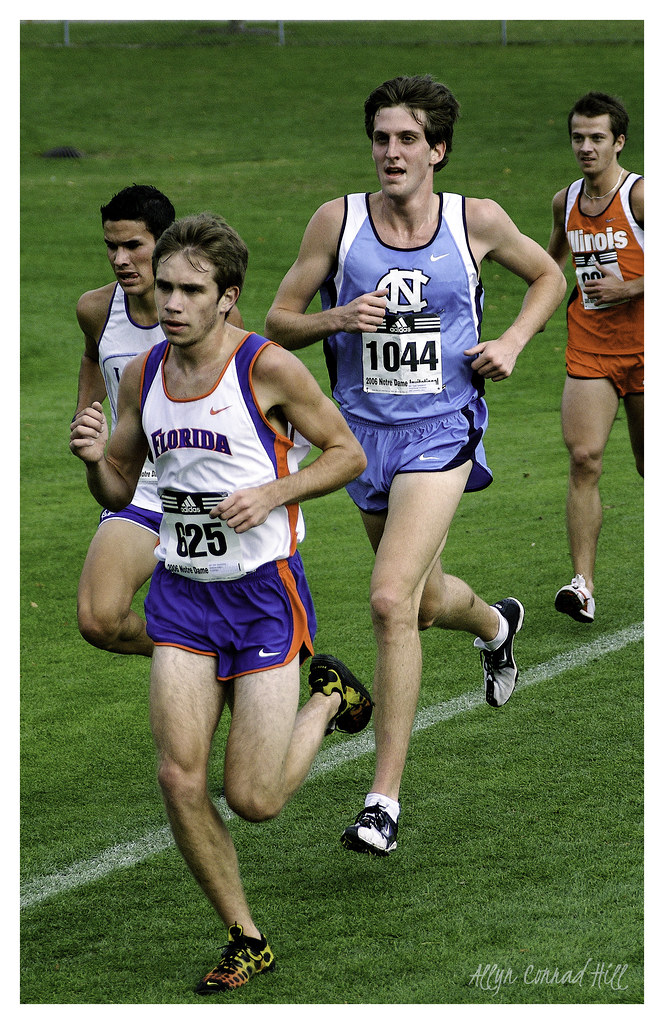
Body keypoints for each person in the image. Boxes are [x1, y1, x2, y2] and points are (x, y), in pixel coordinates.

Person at [265, 74, 566, 856]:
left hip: (442, 429)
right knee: (426, 602)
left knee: (391, 599)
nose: (390, 152)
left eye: (407, 139)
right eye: (381, 138)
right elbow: (277, 320)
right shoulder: (337, 221)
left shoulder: (477, 220)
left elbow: (549, 276)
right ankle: (497, 624)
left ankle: (382, 800)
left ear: (438, 150)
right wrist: (338, 315)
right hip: (361, 438)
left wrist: (509, 344)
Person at [70, 212, 371, 994]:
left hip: (264, 597)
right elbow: (120, 480)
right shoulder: (143, 375)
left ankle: (329, 700)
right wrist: (92, 459)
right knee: (178, 777)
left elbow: (346, 453)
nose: (169, 302)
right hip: (181, 597)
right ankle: (246, 936)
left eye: (189, 290)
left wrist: (275, 488)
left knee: (256, 799)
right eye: (164, 285)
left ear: (227, 298)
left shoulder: (269, 370)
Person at [74, 184, 244, 658]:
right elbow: (93, 356)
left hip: (207, 484)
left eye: (134, 246)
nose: (120, 259)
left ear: (165, 243)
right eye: (111, 246)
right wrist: (86, 412)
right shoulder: (96, 308)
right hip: (140, 485)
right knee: (99, 619)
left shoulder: (211, 310)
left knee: (243, 619)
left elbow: (245, 380)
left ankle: (240, 661)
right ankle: (208, 651)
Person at [546, 92, 644, 623]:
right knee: (584, 459)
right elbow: (552, 262)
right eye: (579, 137)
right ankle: (581, 584)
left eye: (597, 138)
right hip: (590, 350)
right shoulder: (565, 201)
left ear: (619, 141)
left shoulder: (641, 198)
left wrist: (631, 287)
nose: (586, 147)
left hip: (647, 349)